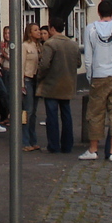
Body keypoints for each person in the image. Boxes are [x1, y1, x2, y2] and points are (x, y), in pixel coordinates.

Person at [79, 0, 112, 162]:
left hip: (99, 74)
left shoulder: (90, 28)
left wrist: (90, 75)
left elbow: (88, 57)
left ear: (98, 13)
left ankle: (93, 148)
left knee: (95, 112)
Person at [36, 18, 81, 154]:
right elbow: (78, 63)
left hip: (52, 84)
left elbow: (44, 65)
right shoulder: (73, 44)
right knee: (66, 115)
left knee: (52, 116)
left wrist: (39, 76)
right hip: (68, 83)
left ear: (52, 29)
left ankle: (53, 145)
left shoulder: (50, 44)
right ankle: (67, 145)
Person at [21, 23, 42, 151]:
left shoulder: (39, 46)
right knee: (27, 111)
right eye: (35, 30)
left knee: (34, 112)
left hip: (36, 79)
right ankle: (25, 141)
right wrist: (21, 84)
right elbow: (21, 64)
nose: (38, 32)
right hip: (27, 79)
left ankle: (33, 140)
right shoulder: (25, 46)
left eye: (38, 29)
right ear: (29, 33)